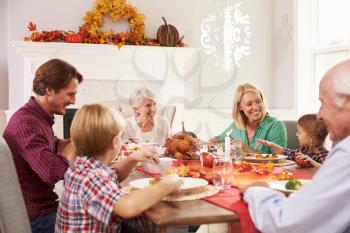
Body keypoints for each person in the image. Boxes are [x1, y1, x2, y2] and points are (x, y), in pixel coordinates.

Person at [243, 59, 350, 233]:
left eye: (324, 103)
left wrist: (256, 191)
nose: (320, 115)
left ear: (347, 102)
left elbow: (285, 223)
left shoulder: (346, 155)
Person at [55, 104, 181, 232]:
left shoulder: (79, 169)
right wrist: (166, 185)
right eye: (121, 136)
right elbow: (129, 206)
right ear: (115, 142)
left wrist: (132, 158)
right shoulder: (90, 178)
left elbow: (112, 175)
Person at [3, 59, 83, 233]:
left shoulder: (36, 117)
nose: (74, 101)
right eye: (70, 94)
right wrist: (72, 148)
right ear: (49, 90)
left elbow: (53, 146)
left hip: (44, 211)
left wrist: (81, 140)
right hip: (37, 220)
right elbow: (51, 172)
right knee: (110, 220)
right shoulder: (27, 123)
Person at [209, 83, 287, 154]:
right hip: (239, 169)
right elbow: (217, 140)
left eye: (258, 101)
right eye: (249, 104)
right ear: (240, 107)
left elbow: (279, 161)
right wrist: (201, 143)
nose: (256, 107)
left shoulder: (275, 126)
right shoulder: (237, 125)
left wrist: (245, 149)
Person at [256, 114, 329, 168]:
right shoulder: (304, 150)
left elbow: (328, 169)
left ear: (311, 137)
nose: (296, 134)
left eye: (299, 132)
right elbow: (289, 153)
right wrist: (271, 145)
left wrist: (312, 162)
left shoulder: (322, 153)